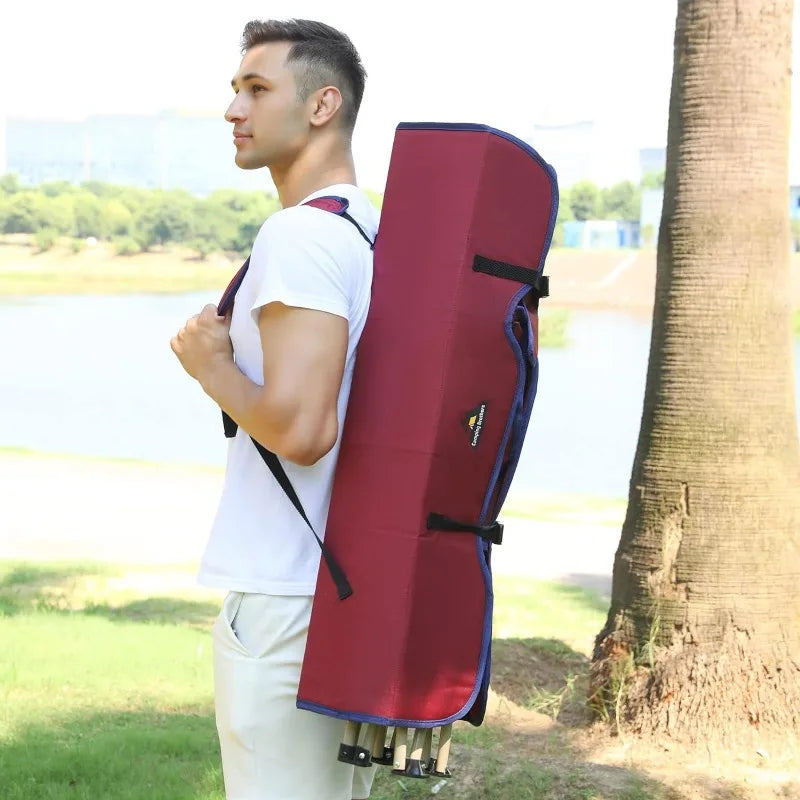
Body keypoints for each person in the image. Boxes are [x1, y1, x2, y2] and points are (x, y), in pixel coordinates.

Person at [170, 18, 378, 800]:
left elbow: (301, 430)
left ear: (323, 105)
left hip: (286, 597)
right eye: (234, 90)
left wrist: (209, 367)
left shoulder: (299, 236)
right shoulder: (365, 229)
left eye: (256, 89)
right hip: (340, 585)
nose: (234, 109)